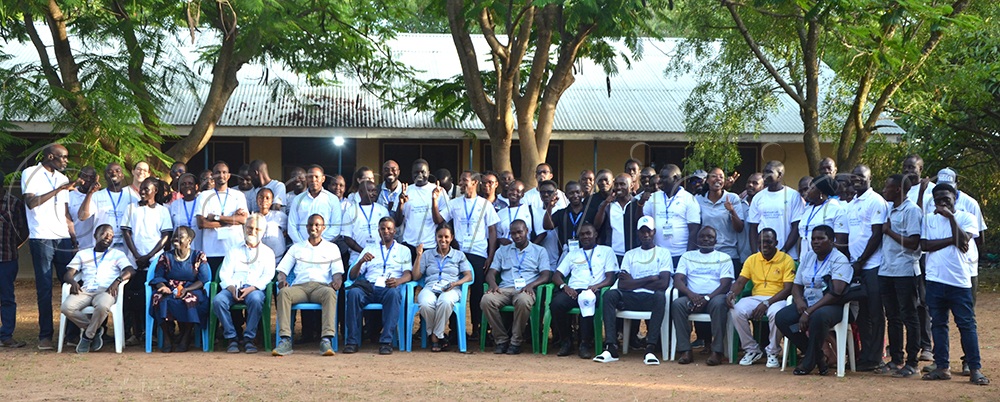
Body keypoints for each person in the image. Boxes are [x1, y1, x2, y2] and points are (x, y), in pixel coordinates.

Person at [920, 184, 989, 385]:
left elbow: (964, 240)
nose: (942, 203)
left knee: (966, 325)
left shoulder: (967, 218)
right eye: (938, 200)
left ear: (955, 199)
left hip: (959, 281)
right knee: (938, 324)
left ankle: (975, 368)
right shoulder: (928, 219)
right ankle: (942, 367)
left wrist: (951, 218)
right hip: (935, 279)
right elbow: (925, 245)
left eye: (946, 199)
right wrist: (952, 240)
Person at [774, 225, 852, 375]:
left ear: (832, 240)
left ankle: (808, 362)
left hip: (832, 305)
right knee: (782, 318)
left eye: (821, 238)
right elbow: (797, 285)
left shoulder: (839, 259)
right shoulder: (808, 257)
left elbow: (836, 292)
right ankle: (818, 356)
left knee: (818, 316)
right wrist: (799, 301)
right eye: (813, 239)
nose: (816, 242)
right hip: (808, 303)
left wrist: (809, 311)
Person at [22, 144, 79, 350]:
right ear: (50, 156)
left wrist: (73, 236)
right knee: (45, 288)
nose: (66, 161)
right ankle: (45, 336)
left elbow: (65, 212)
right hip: (42, 237)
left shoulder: (63, 178)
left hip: (62, 237)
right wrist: (59, 190)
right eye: (63, 157)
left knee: (71, 284)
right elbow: (31, 202)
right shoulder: (30, 173)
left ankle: (71, 335)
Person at [594, 216, 672, 365]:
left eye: (649, 231)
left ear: (654, 232)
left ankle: (650, 348)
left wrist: (634, 282)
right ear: (638, 233)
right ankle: (611, 347)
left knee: (660, 296)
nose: (646, 235)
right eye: (642, 232)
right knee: (609, 295)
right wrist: (651, 278)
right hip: (630, 298)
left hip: (651, 299)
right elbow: (623, 284)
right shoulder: (630, 254)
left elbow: (663, 283)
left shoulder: (663, 253)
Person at [432, 171, 499, 338]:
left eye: (465, 180)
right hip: (459, 253)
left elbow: (492, 231)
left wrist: (490, 256)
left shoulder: (485, 204)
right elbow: (439, 220)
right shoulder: (454, 203)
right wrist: (434, 202)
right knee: (454, 288)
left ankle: (477, 328)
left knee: (477, 292)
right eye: (460, 180)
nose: (461, 183)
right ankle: (455, 330)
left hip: (478, 254)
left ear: (475, 183)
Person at [838, 164, 888, 372]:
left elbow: (876, 235)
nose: (857, 179)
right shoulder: (852, 204)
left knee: (875, 312)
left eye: (861, 176)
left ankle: (876, 357)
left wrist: (862, 260)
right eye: (854, 176)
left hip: (873, 265)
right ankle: (865, 356)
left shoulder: (876, 201)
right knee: (863, 313)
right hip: (857, 267)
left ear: (870, 178)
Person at [272, 214, 344, 357]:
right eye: (311, 225)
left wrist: (337, 282)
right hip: (300, 287)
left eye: (317, 225)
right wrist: (282, 280)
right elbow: (282, 271)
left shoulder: (332, 248)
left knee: (330, 293)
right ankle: (285, 340)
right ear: (306, 227)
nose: (313, 228)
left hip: (321, 287)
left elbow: (337, 273)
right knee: (284, 293)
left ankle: (326, 340)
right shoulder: (296, 248)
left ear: (323, 228)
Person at [61, 224, 135, 353]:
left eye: (111, 235)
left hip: (106, 290)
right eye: (104, 233)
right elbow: (68, 274)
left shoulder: (117, 254)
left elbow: (130, 270)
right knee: (66, 307)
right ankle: (95, 330)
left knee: (102, 306)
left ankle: (87, 336)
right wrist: (72, 282)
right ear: (95, 235)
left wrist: (117, 281)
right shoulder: (83, 254)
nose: (108, 237)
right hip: (85, 290)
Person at [726, 229, 794, 368]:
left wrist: (767, 302)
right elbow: (740, 282)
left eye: (768, 242)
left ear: (776, 242)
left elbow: (788, 289)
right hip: (756, 297)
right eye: (761, 242)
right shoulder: (752, 259)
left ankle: (773, 352)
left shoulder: (786, 259)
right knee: (737, 309)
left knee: (776, 314)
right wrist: (731, 293)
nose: (764, 245)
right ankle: (751, 349)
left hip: (778, 298)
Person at [481, 220, 550, 354]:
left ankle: (516, 341)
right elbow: (491, 273)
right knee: (486, 300)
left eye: (520, 232)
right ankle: (501, 340)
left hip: (526, 289)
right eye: (513, 233)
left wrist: (531, 285)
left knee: (523, 301)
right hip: (504, 289)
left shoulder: (539, 251)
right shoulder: (502, 251)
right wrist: (493, 284)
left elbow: (546, 275)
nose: (517, 236)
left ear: (527, 231)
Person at [345, 217, 412, 355]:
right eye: (382, 228)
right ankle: (352, 341)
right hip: (369, 287)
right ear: (378, 231)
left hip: (389, 287)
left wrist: (398, 281)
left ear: (394, 231)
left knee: (394, 294)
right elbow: (352, 276)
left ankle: (386, 342)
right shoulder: (369, 249)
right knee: (353, 294)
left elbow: (408, 274)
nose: (386, 231)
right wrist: (360, 262)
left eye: (389, 228)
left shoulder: (403, 250)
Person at [550, 224, 617, 359]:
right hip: (573, 291)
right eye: (582, 234)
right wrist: (565, 287)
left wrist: (597, 286)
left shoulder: (606, 251)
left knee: (587, 300)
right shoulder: (573, 254)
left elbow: (610, 278)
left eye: (588, 233)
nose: (585, 236)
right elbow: (556, 276)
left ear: (595, 234)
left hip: (594, 290)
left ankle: (585, 344)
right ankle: (566, 341)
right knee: (556, 304)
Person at [212, 214, 275, 354]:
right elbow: (224, 273)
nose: (252, 231)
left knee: (256, 299)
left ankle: (249, 338)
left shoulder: (268, 253)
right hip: (233, 287)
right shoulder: (233, 250)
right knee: (218, 301)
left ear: (263, 232)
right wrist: (231, 288)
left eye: (257, 229)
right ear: (244, 228)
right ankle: (232, 337)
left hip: (254, 288)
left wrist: (252, 288)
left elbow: (268, 275)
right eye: (250, 228)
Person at [670, 226, 734, 366]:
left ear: (715, 241)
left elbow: (725, 285)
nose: (706, 239)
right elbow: (678, 280)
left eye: (710, 237)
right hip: (692, 297)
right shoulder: (687, 256)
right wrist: (691, 295)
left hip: (714, 298)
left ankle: (717, 351)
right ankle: (685, 350)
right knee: (677, 304)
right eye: (702, 236)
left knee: (719, 304)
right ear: (696, 239)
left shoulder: (724, 258)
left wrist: (707, 298)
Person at [879, 174, 922, 377]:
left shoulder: (911, 210)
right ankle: (896, 359)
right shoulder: (889, 208)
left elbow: (914, 242)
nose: (883, 190)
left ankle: (912, 362)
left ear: (898, 189)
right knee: (893, 316)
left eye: (887, 187)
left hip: (905, 270)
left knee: (909, 316)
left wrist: (889, 232)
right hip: (887, 269)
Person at [121, 177, 172, 345]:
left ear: (155, 191)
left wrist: (149, 256)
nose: (142, 191)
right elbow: (126, 232)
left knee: (155, 297)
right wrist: (137, 255)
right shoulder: (131, 208)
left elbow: (165, 236)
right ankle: (136, 333)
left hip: (155, 261)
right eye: (141, 188)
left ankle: (155, 333)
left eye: (146, 189)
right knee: (133, 298)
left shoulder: (162, 211)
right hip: (134, 261)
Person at [411, 224, 472, 352]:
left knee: (445, 301)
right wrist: (419, 256)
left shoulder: (459, 255)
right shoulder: (427, 254)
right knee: (425, 303)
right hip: (430, 287)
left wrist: (456, 283)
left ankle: (434, 336)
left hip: (451, 288)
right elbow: (416, 276)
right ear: (436, 237)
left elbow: (469, 276)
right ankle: (439, 335)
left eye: (446, 237)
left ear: (451, 238)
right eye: (440, 236)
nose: (443, 240)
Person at [149, 226, 210, 353]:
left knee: (190, 300)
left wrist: (187, 290)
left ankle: (186, 336)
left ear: (189, 240)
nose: (176, 239)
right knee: (158, 298)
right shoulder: (165, 256)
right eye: (174, 237)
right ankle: (167, 337)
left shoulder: (198, 256)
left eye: (180, 237)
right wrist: (163, 287)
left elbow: (203, 280)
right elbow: (158, 277)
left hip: (191, 288)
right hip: (170, 288)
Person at [900, 154, 933, 362]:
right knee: (906, 302)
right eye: (905, 167)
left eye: (912, 167)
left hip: (924, 254)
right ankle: (909, 344)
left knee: (923, 302)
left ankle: (926, 345)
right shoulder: (900, 189)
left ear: (921, 169)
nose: (908, 171)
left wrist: (921, 193)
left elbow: (920, 220)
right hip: (903, 254)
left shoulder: (931, 191)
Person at [196, 161, 249, 275]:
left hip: (234, 249)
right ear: (212, 176)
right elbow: (202, 223)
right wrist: (232, 220)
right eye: (218, 172)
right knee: (213, 283)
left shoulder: (238, 195)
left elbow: (243, 220)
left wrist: (216, 217)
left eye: (224, 172)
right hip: (211, 251)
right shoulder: (204, 196)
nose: (221, 175)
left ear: (228, 175)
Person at [642, 164, 701, 266]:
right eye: (660, 177)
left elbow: (694, 231)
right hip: (657, 254)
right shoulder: (653, 197)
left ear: (675, 178)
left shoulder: (689, 199)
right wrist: (640, 203)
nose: (660, 181)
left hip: (680, 255)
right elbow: (643, 221)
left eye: (664, 178)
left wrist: (687, 257)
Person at [748, 161, 804, 258]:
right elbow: (753, 227)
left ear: (780, 175)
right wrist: (755, 254)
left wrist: (783, 251)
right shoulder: (758, 197)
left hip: (787, 255)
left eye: (769, 172)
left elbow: (796, 226)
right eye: (764, 172)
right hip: (763, 256)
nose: (765, 175)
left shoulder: (793, 195)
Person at [78, 162, 136, 256]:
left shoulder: (132, 198)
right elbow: (82, 216)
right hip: (102, 246)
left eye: (117, 171)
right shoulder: (97, 196)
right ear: (105, 176)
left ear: (122, 176)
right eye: (110, 171)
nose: (114, 173)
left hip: (125, 248)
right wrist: (90, 193)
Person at [0, 168, 29, 348]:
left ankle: (6, 335)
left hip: (7, 259)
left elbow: (23, 230)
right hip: (8, 256)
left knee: (7, 298)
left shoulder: (14, 204)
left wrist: (13, 246)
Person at [697, 168, 745, 275]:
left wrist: (732, 210)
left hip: (728, 253)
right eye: (714, 176)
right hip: (706, 253)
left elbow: (740, 228)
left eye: (721, 177)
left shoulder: (732, 198)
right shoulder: (698, 199)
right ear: (707, 180)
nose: (718, 179)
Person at [397, 159, 448, 254]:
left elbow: (441, 221)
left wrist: (434, 200)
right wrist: (400, 204)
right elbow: (398, 222)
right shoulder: (405, 191)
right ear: (411, 174)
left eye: (423, 172)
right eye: (416, 172)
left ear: (428, 173)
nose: (420, 175)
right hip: (409, 244)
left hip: (430, 245)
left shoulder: (439, 191)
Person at [792, 175, 843, 262]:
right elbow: (802, 237)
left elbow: (840, 241)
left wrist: (828, 260)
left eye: (811, 188)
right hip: (805, 260)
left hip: (825, 260)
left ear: (820, 191)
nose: (807, 191)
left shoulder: (835, 209)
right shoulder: (807, 209)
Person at [594, 174, 642, 262]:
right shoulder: (608, 205)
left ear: (631, 185)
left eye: (622, 184)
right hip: (613, 254)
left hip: (634, 253)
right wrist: (605, 204)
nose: (619, 187)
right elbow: (597, 225)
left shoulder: (637, 204)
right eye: (616, 184)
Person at [544, 181, 598, 260]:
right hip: (566, 255)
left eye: (577, 192)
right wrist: (549, 207)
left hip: (588, 254)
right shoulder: (561, 213)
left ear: (582, 193)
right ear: (566, 195)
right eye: (571, 193)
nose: (575, 195)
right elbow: (547, 226)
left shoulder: (591, 212)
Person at [287, 165, 340, 244]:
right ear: (306, 179)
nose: (313, 180)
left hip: (325, 246)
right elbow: (292, 226)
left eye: (316, 177)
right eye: (310, 177)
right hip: (301, 247)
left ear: (323, 179)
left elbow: (336, 227)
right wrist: (303, 244)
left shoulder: (333, 199)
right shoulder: (298, 200)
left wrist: (319, 242)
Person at [344, 181, 390, 262]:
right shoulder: (351, 211)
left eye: (375, 191)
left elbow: (388, 233)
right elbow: (347, 238)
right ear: (360, 193)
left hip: (380, 256)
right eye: (370, 191)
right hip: (357, 256)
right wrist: (364, 252)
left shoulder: (383, 210)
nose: (373, 194)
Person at [167, 173, 203, 251]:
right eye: (183, 184)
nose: (187, 186)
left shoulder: (201, 202)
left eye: (190, 183)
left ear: (196, 186)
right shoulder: (174, 205)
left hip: (198, 248)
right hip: (178, 249)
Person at [68, 167, 99, 250]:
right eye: (85, 176)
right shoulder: (69, 196)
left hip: (96, 246)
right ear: (79, 176)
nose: (88, 179)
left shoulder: (99, 196)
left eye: (92, 177)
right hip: (76, 245)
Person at [737, 172, 763, 262]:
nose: (750, 185)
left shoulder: (765, 206)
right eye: (748, 182)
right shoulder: (738, 203)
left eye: (755, 183)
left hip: (760, 256)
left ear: (763, 186)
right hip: (740, 256)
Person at [256, 188, 288, 263]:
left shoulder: (279, 216)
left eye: (267, 198)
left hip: (278, 257)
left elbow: (289, 230)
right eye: (261, 197)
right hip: (259, 259)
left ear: (272, 201)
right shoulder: (252, 217)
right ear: (256, 199)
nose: (264, 200)